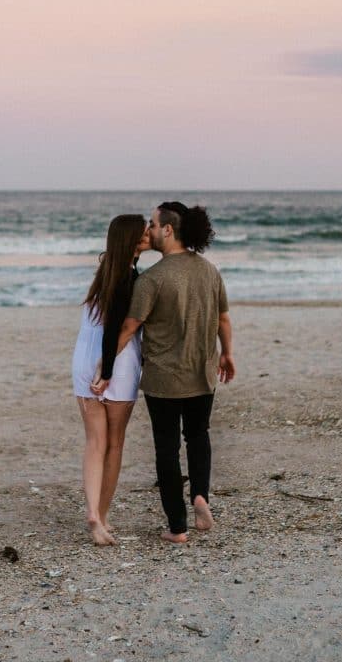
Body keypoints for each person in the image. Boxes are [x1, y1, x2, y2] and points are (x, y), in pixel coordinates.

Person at [92, 201, 235, 543]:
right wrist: (227, 353)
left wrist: (105, 365)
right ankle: (200, 494)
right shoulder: (209, 271)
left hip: (163, 381)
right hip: (202, 375)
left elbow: (128, 327)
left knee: (167, 450)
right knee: (198, 437)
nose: (150, 231)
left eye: (153, 225)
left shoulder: (152, 279)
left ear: (168, 230)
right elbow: (223, 318)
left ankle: (178, 528)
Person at [71, 214, 150, 546]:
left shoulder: (104, 271)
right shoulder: (129, 278)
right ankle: (101, 515)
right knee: (114, 444)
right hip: (117, 362)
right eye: (144, 232)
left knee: (94, 443)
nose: (149, 235)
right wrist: (106, 372)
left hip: (82, 359)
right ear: (132, 239)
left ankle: (91, 511)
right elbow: (117, 327)